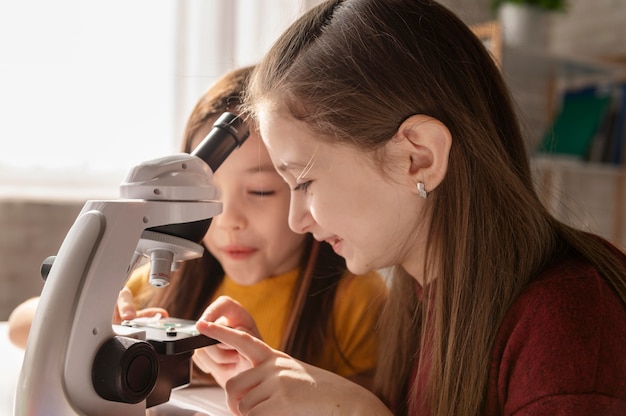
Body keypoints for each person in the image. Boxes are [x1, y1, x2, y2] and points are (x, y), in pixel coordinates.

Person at [193, 1, 626, 415]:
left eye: (303, 182)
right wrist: (269, 376)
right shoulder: (421, 296)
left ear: (419, 157)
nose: (297, 219)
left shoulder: (569, 320)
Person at [8, 66, 387, 390]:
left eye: (260, 191)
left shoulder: (355, 299)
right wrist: (93, 314)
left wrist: (268, 371)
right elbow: (19, 326)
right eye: (207, 199)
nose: (228, 220)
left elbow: (373, 403)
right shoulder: (167, 284)